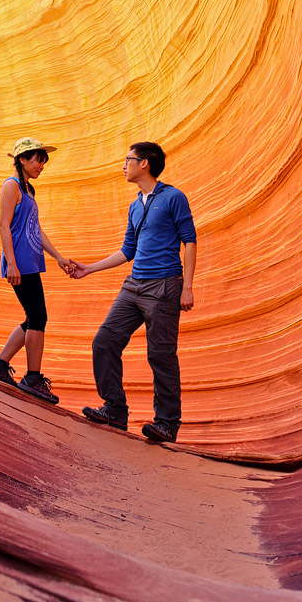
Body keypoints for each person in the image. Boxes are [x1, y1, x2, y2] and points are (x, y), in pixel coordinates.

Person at [70, 141, 196, 443]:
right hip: (134, 285)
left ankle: (166, 423)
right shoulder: (135, 205)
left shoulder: (173, 197)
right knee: (104, 341)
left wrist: (187, 287)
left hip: (165, 286)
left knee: (161, 355)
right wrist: (90, 268)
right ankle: (115, 408)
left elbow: (189, 241)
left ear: (145, 164)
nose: (123, 165)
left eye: (128, 159)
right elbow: (128, 250)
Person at [0, 137, 74, 404]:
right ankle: (32, 378)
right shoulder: (11, 187)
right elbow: (3, 226)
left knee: (33, 317)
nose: (42, 166)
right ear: (22, 159)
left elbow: (36, 228)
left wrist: (57, 256)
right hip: (20, 261)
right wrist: (11, 262)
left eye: (44, 161)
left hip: (30, 261)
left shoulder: (29, 190)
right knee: (38, 317)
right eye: (38, 160)